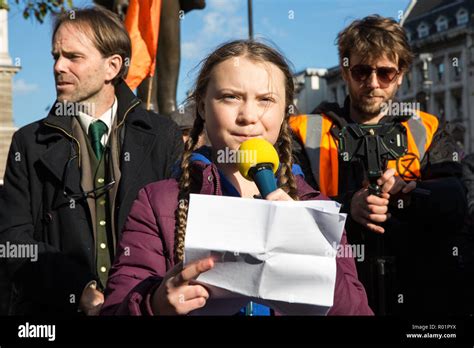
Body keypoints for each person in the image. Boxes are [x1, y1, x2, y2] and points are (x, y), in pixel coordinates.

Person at [100, 40, 373, 316]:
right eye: (230, 97)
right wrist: (155, 304)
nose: (248, 116)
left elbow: (356, 311)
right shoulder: (158, 202)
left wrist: (312, 252)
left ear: (285, 112)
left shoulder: (315, 207)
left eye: (266, 100)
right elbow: (115, 308)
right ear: (203, 107)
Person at [0, 6, 183, 315]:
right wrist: (78, 288)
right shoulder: (28, 142)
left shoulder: (163, 136)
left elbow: (178, 235)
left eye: (73, 57)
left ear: (112, 67)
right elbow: (12, 240)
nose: (58, 67)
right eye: (55, 56)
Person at [289, 15, 468, 315]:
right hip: (337, 292)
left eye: (385, 72)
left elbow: (456, 201)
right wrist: (347, 207)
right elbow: (290, 209)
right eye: (361, 71)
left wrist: (410, 195)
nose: (372, 83)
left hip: (419, 295)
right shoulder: (305, 130)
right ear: (345, 72)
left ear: (400, 75)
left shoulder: (426, 127)